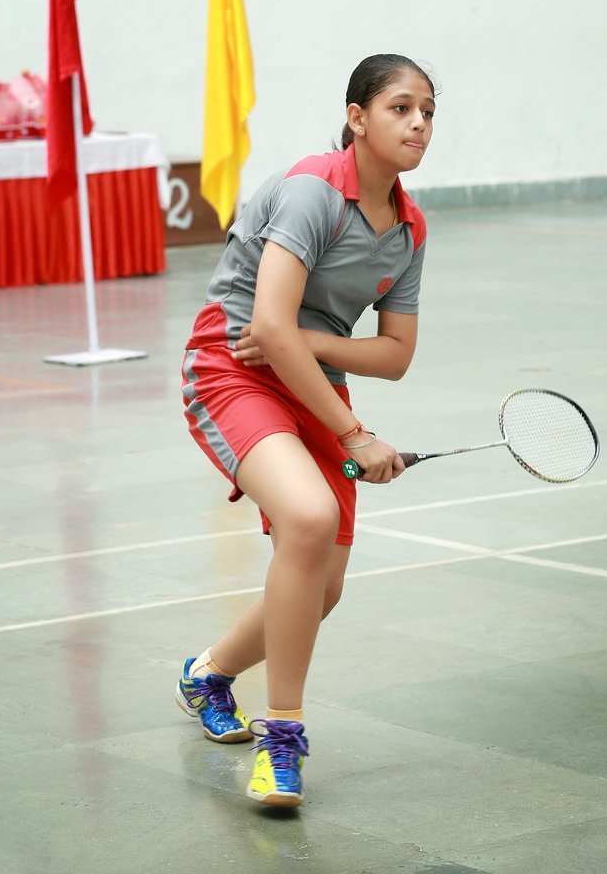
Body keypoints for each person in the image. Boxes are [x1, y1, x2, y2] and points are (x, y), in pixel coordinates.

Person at [177, 53, 436, 807]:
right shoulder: (311, 189)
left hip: (308, 375)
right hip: (231, 368)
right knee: (309, 517)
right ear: (357, 117)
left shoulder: (410, 229)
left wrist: (316, 345)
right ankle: (281, 738)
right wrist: (355, 435)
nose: (417, 121)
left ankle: (207, 675)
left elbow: (393, 356)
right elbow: (263, 327)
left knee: (321, 588)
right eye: (399, 107)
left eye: (426, 110)